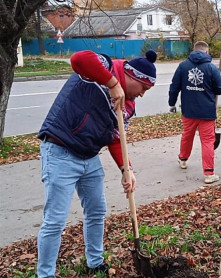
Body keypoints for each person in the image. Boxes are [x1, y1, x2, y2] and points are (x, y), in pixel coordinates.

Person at [36, 49, 157, 277]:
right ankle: (45, 274)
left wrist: (126, 169)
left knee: (96, 211)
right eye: (143, 88)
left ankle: (95, 261)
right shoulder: (105, 66)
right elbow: (79, 59)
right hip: (60, 150)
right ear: (133, 77)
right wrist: (111, 83)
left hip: (89, 157)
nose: (142, 94)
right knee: (55, 220)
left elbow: (115, 138)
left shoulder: (128, 106)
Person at [168, 41, 221, 184]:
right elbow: (220, 90)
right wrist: (220, 78)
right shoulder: (212, 68)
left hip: (188, 110)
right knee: (207, 141)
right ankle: (209, 173)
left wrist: (171, 103)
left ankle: (183, 159)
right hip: (207, 112)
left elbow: (174, 86)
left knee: (187, 135)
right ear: (207, 52)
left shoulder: (183, 66)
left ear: (194, 51)